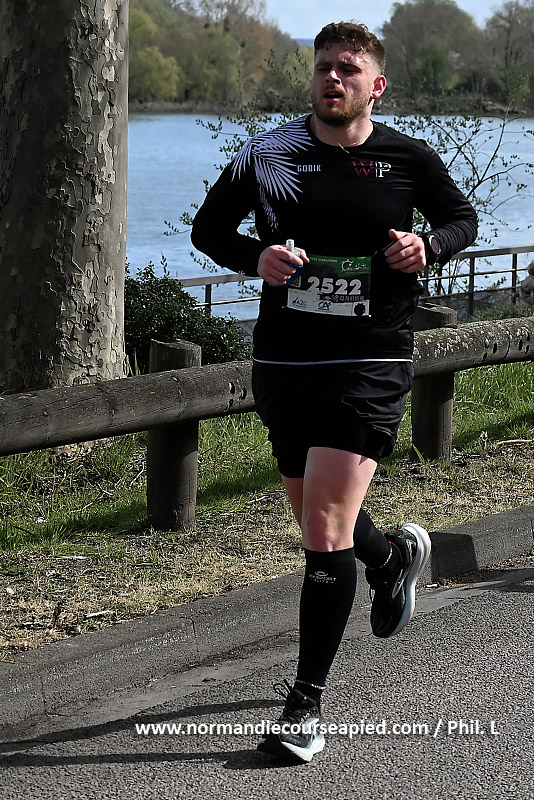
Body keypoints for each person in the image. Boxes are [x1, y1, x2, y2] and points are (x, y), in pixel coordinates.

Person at [191, 21, 478, 763]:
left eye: (348, 69)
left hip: (370, 356)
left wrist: (429, 244)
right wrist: (255, 257)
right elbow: (208, 230)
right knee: (327, 521)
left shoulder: (408, 158)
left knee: (322, 528)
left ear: (375, 85)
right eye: (324, 67)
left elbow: (461, 219)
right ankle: (389, 560)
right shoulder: (267, 154)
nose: (332, 78)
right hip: (287, 360)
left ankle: (305, 706)